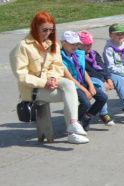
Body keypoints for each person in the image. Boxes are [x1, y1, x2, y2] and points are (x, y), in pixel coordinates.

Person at [10, 12, 88, 143]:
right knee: (69, 95)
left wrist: (52, 78)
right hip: (32, 90)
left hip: (51, 82)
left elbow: (57, 65)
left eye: (51, 29)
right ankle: (71, 133)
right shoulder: (23, 46)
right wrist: (44, 83)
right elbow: (21, 75)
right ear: (35, 27)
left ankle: (73, 124)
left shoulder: (54, 44)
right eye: (44, 30)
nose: (48, 33)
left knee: (69, 85)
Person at [60, 31, 109, 131]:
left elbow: (84, 72)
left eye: (77, 44)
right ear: (63, 43)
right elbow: (69, 77)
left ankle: (87, 116)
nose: (75, 46)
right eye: (72, 44)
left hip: (82, 82)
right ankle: (74, 121)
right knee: (86, 103)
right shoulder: (60, 58)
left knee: (103, 97)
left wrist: (90, 85)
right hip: (72, 85)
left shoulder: (77, 54)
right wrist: (85, 90)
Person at [78, 30, 115, 126]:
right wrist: (104, 80)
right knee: (101, 85)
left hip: (101, 76)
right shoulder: (79, 56)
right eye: (86, 44)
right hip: (90, 78)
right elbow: (89, 72)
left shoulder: (93, 53)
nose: (89, 46)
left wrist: (108, 78)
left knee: (120, 81)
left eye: (90, 44)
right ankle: (103, 113)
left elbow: (102, 66)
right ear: (79, 44)